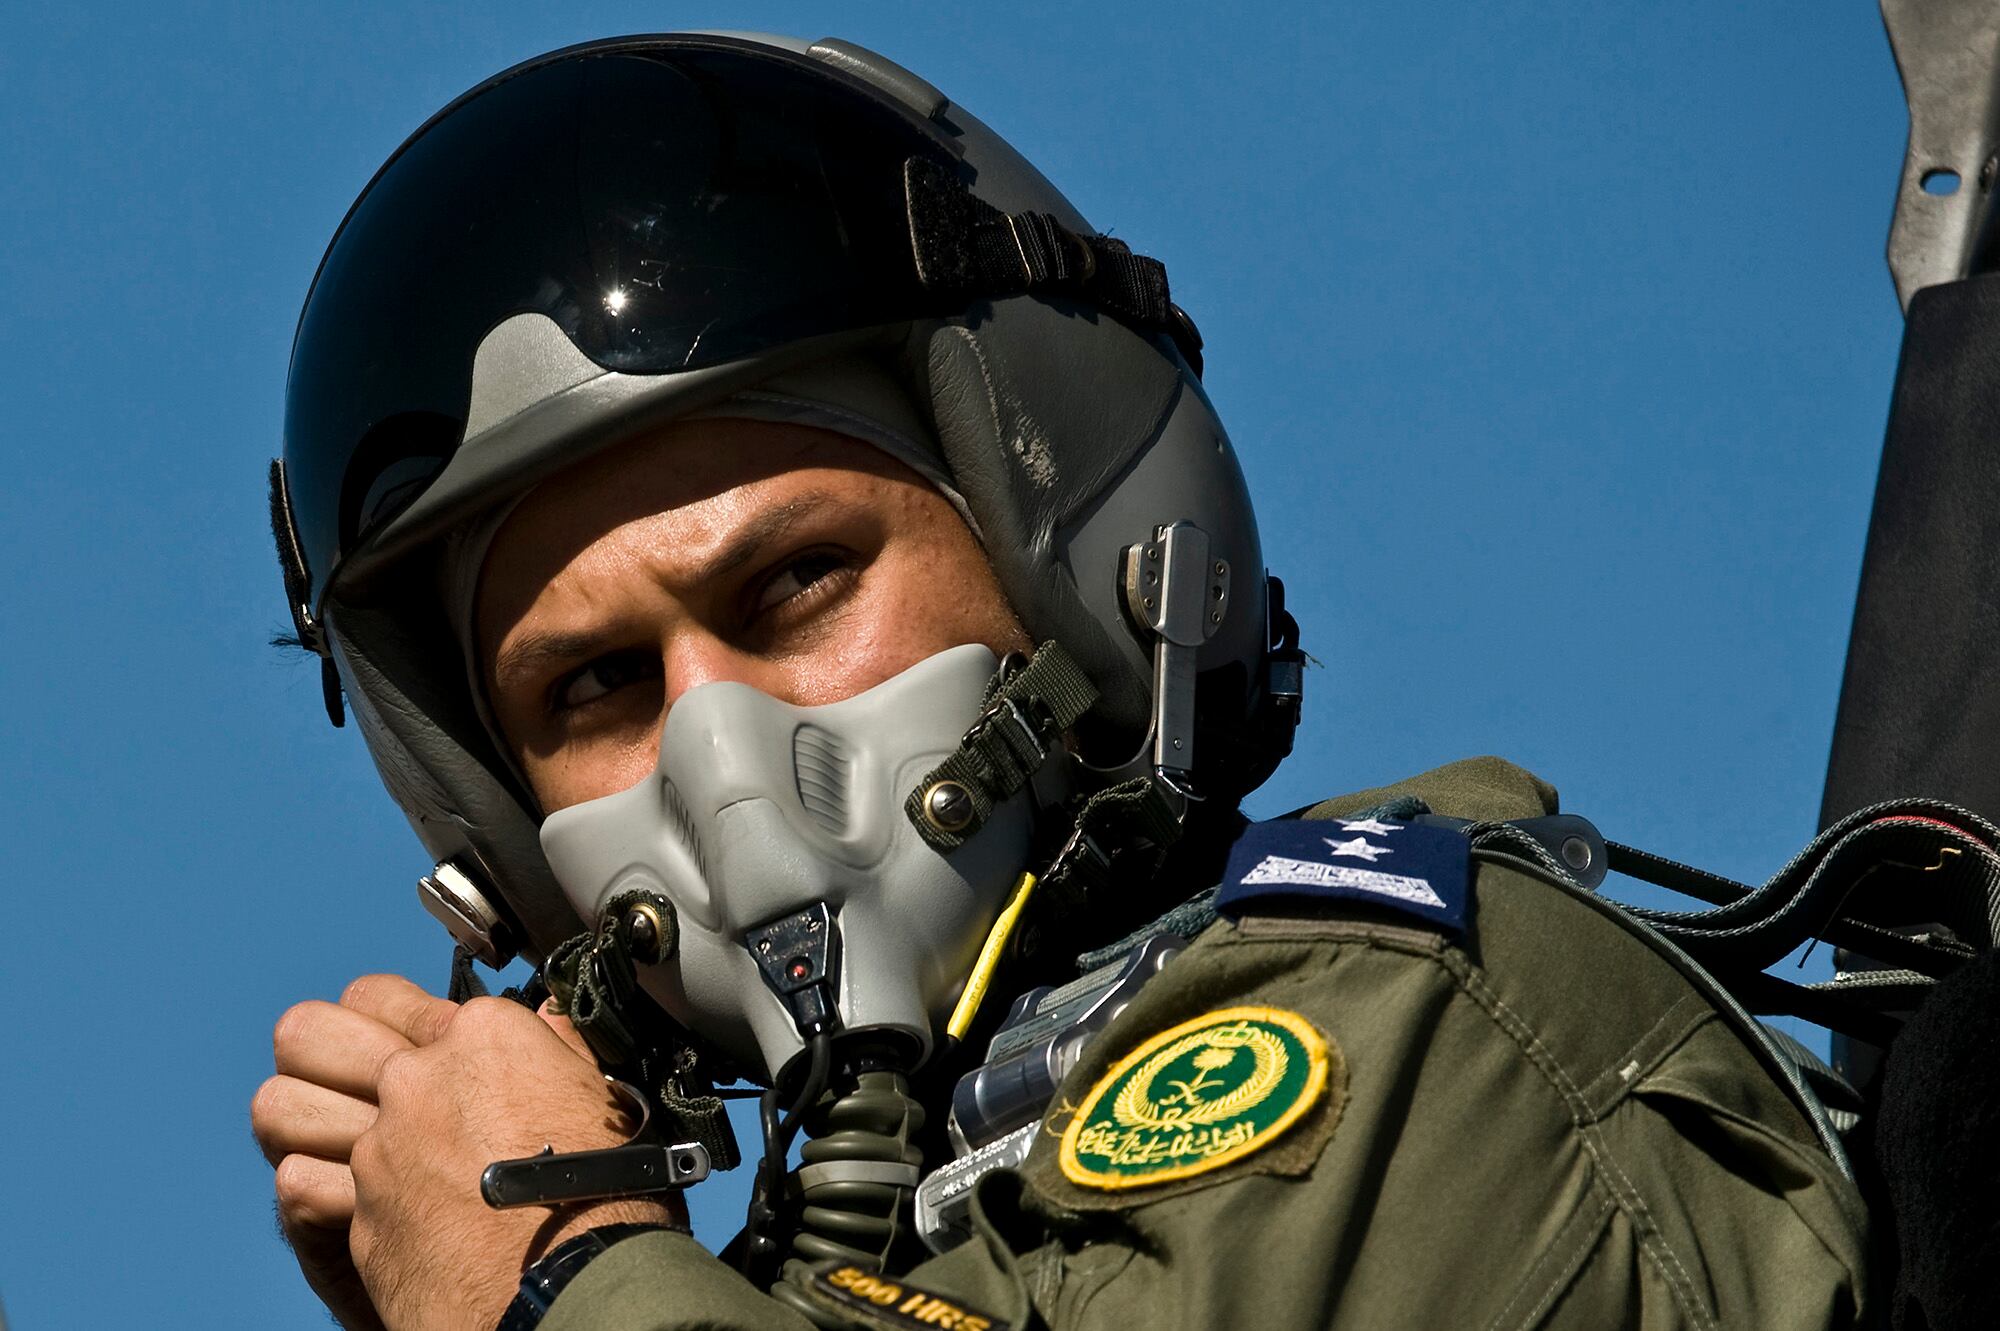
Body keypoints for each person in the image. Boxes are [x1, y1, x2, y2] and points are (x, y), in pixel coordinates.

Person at [251, 33, 1872, 1331]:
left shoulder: (1414, 1043)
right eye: (597, 687)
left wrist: (557, 1272)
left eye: (799, 583)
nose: (720, 760)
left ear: (1074, 570)